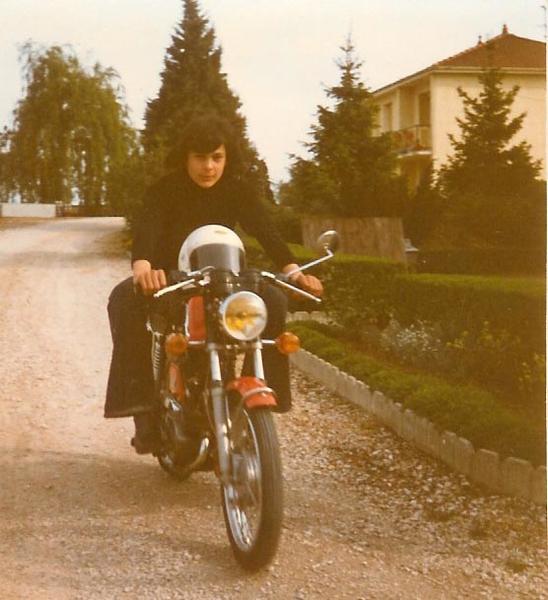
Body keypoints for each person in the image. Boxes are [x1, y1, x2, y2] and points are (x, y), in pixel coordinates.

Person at [105, 114, 322, 453]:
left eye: (217, 157)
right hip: (172, 279)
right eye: (200, 157)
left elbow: (267, 232)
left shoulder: (237, 190)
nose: (209, 166)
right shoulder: (165, 190)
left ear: (227, 157)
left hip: (226, 276)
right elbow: (147, 230)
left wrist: (295, 272)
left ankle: (261, 384)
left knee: (274, 300)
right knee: (123, 299)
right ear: (186, 157)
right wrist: (144, 269)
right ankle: (143, 410)